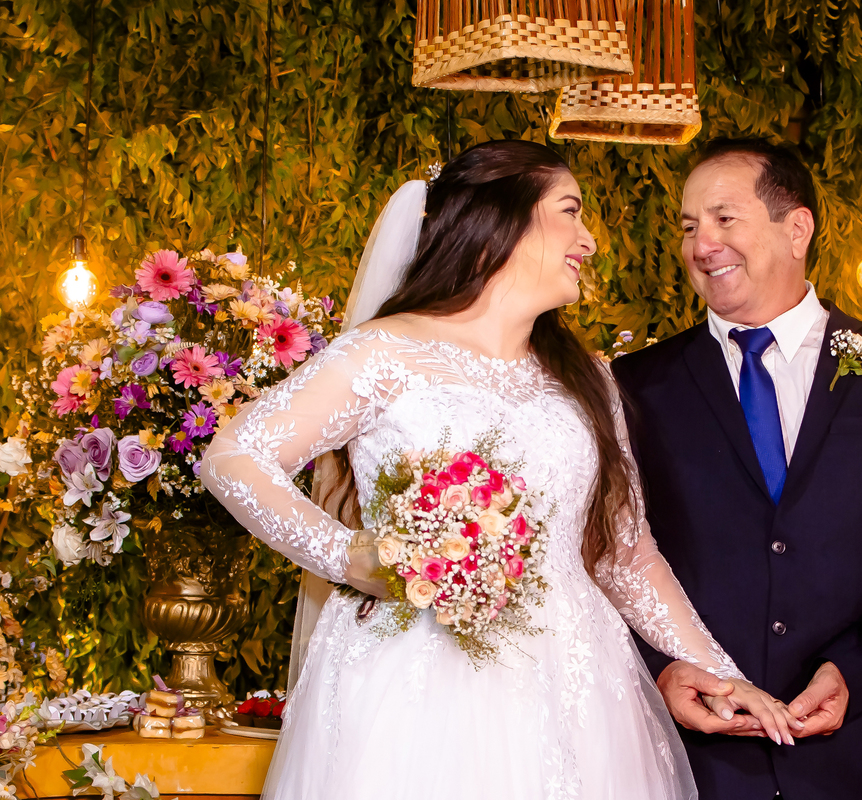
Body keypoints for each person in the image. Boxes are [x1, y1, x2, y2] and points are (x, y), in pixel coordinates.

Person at [200, 140, 800, 800]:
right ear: (500, 221)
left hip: (576, 687)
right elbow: (233, 458)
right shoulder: (384, 352)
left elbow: (625, 554)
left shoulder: (589, 382)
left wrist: (716, 669)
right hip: (419, 685)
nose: (590, 240)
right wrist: (358, 559)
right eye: (570, 212)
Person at [610, 138, 862, 799]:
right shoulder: (637, 384)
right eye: (690, 226)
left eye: (725, 219)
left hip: (853, 759)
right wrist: (662, 670)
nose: (703, 245)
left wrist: (857, 671)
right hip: (697, 760)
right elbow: (606, 556)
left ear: (797, 227)